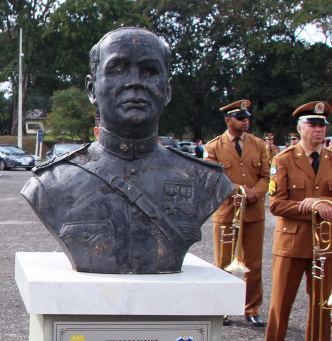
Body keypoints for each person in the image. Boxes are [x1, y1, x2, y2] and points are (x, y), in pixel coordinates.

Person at [22, 27, 233, 274]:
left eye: (149, 71)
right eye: (118, 69)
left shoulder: (205, 180)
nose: (135, 82)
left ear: (168, 91)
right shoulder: (51, 183)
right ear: (92, 90)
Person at [264, 101, 332, 341]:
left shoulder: (330, 159)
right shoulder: (283, 160)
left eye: (322, 125)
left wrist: (321, 201)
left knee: (322, 303)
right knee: (281, 301)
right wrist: (313, 206)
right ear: (299, 128)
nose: (319, 129)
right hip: (291, 242)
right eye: (313, 124)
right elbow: (276, 205)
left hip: (324, 244)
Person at [203, 100, 270, 327]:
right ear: (228, 120)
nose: (245, 121)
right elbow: (211, 176)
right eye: (240, 118)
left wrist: (253, 192)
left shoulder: (259, 144)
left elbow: (266, 176)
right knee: (223, 263)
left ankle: (251, 308)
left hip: (253, 212)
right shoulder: (214, 147)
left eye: (247, 117)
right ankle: (222, 308)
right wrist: (236, 190)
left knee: (254, 264)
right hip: (227, 211)